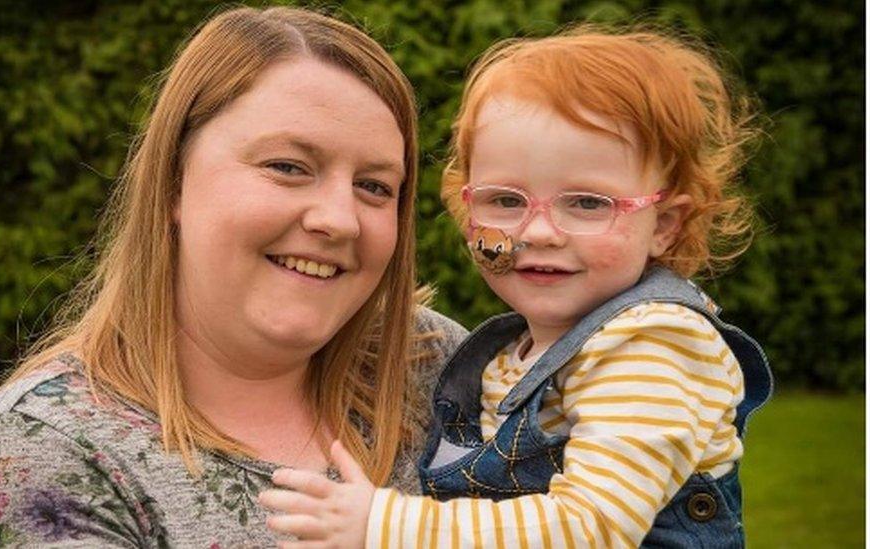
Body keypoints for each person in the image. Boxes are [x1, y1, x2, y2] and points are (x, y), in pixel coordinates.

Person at [0, 6, 468, 547]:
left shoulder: (438, 367)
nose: (338, 219)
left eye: (375, 186)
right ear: (172, 182)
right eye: (287, 167)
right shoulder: (46, 455)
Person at [260, 25, 774, 548]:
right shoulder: (521, 352)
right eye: (505, 201)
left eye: (588, 203)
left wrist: (384, 524)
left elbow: (591, 527)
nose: (538, 233)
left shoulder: (653, 343)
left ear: (664, 223)